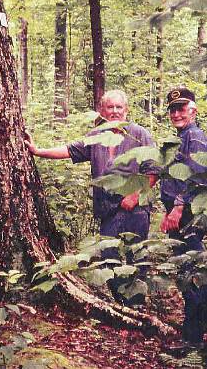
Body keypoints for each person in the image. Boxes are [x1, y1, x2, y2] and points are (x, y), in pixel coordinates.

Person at [25, 89, 157, 302]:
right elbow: (69, 150)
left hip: (136, 207)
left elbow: (154, 170)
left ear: (126, 110)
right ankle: (121, 302)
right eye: (110, 107)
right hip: (108, 209)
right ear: (101, 110)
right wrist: (38, 151)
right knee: (108, 257)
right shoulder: (96, 136)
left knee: (136, 256)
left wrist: (135, 195)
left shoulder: (139, 134)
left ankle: (137, 304)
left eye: (118, 107)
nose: (114, 111)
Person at [160, 87, 207, 346]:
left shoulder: (195, 136)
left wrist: (178, 207)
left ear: (193, 109)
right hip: (178, 216)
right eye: (173, 109)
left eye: (182, 107)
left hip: (188, 217)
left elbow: (198, 176)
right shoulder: (181, 137)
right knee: (188, 274)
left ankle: (192, 341)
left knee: (194, 276)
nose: (177, 113)